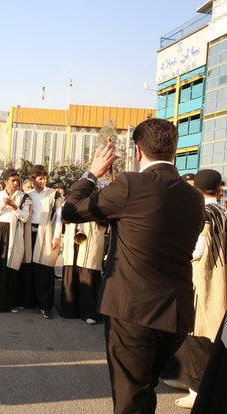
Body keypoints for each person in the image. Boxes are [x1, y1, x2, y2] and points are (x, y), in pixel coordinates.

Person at [62, 118, 205, 414]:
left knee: (130, 399)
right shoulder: (195, 197)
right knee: (144, 391)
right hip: (175, 313)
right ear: (174, 150)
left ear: (138, 151)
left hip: (133, 311)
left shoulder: (131, 184)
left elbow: (71, 210)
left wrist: (92, 174)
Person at [162, 169, 227, 409]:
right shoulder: (221, 210)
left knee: (197, 333)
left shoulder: (203, 214)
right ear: (219, 191)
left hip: (201, 279)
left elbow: (196, 251)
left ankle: (196, 389)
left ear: (195, 190)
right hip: (219, 277)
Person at [0, 169, 31, 312]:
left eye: (17, 180)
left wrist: (14, 206)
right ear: (5, 182)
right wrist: (3, 206)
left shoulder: (23, 197)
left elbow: (25, 218)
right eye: (13, 180)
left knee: (10, 267)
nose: (16, 183)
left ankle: (9, 303)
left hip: (13, 234)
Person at [25, 165, 62, 319]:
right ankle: (29, 301)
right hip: (30, 233)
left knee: (45, 269)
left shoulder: (54, 195)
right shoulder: (27, 195)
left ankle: (46, 305)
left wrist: (56, 236)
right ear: (33, 179)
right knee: (30, 268)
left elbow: (59, 216)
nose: (43, 181)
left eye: (44, 178)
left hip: (47, 232)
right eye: (39, 178)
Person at [59, 219, 106, 324]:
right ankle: (70, 309)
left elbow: (105, 219)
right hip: (72, 235)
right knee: (71, 272)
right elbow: (64, 218)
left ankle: (90, 312)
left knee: (88, 273)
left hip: (92, 235)